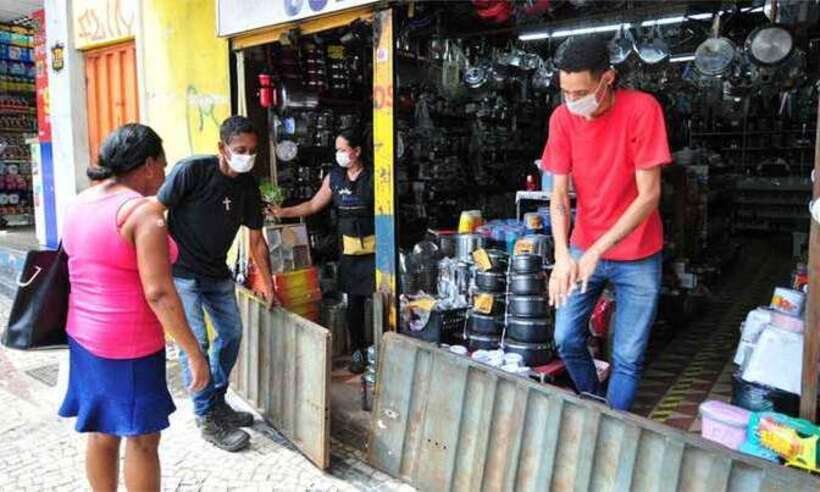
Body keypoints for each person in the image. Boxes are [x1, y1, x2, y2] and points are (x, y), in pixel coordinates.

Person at [59, 124, 210, 491]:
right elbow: (158, 293)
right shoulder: (142, 214)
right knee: (143, 439)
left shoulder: (80, 202)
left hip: (82, 335)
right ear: (146, 164)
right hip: (129, 345)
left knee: (101, 430)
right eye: (162, 163)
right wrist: (194, 352)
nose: (165, 171)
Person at [543, 36, 671, 411]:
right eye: (565, 92)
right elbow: (558, 196)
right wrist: (563, 255)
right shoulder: (562, 119)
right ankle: (595, 405)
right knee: (566, 338)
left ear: (608, 78)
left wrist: (598, 251)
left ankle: (613, 431)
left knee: (628, 356)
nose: (572, 101)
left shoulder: (643, 110)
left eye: (580, 91)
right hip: (583, 245)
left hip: (639, 253)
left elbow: (649, 196)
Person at [157, 115, 275, 452]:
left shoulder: (248, 187)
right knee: (195, 344)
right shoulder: (192, 171)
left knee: (232, 333)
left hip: (216, 273)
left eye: (252, 151)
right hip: (182, 274)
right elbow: (155, 211)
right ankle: (205, 415)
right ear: (221, 148)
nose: (247, 157)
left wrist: (267, 283)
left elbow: (255, 241)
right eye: (240, 150)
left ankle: (217, 397)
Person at [273, 127, 374, 374]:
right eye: (337, 150)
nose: (339, 154)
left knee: (382, 300)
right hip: (349, 250)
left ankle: (385, 348)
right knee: (354, 304)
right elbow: (312, 205)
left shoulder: (374, 176)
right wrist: (282, 212)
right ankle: (358, 351)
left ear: (357, 151)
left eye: (343, 149)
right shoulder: (334, 177)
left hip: (376, 250)